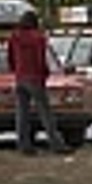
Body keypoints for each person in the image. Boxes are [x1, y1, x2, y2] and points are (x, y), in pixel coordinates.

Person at [6, 9, 69, 154]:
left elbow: (10, 58)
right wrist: (45, 73)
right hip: (35, 77)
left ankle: (24, 145)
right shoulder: (39, 38)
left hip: (20, 77)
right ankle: (56, 144)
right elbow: (41, 59)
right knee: (45, 113)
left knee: (22, 114)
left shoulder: (14, 37)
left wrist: (15, 71)